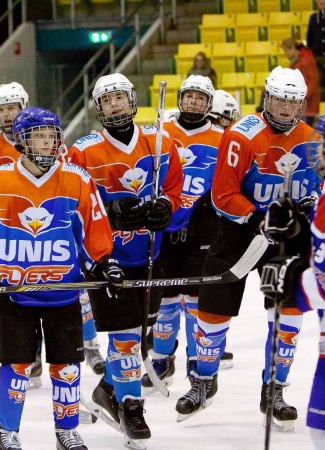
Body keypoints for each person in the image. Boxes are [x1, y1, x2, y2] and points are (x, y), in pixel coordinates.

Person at [0, 106, 123, 450]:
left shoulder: (77, 178)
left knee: (67, 366)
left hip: (65, 292)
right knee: (16, 365)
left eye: (51, 136)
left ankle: (66, 431)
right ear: (21, 140)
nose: (48, 143)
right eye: (39, 136)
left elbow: (94, 230)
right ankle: (7, 434)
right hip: (17, 294)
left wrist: (106, 262)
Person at [174, 66, 322, 432]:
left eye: (292, 103)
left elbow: (319, 190)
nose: (285, 110)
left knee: (288, 312)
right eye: (279, 101)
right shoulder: (241, 135)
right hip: (240, 229)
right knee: (213, 307)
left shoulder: (312, 138)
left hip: (287, 235)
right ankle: (203, 379)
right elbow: (223, 194)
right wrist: (258, 218)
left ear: (301, 104)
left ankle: (274, 388)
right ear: (266, 97)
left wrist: (304, 210)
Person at [67, 73, 183, 446]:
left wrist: (166, 208)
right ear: (97, 108)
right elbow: (73, 205)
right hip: (107, 259)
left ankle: (106, 390)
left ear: (132, 101)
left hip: (150, 254)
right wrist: (109, 212)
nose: (114, 105)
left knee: (139, 337)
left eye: (119, 97)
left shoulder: (161, 141)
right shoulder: (83, 151)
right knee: (127, 338)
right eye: (106, 100)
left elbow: (175, 190)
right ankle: (131, 406)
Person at [0, 82, 106, 383]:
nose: (7, 114)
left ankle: (88, 345)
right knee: (27, 297)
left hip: (54, 220)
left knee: (71, 292)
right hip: (17, 232)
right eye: (1, 109)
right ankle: (34, 353)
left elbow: (59, 177)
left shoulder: (42, 130)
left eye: (13, 107)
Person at [141, 75, 234, 395]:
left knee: (197, 298)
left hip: (202, 226)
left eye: (200, 97)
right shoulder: (159, 133)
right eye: (189, 96)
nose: (193, 101)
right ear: (180, 99)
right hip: (165, 226)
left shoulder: (222, 137)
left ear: (210, 104)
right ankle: (163, 357)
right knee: (166, 295)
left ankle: (197, 361)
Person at [260, 111, 325, 449]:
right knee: (321, 432)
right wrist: (295, 228)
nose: (322, 149)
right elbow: (322, 252)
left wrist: (293, 286)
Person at [281, 38, 320, 126]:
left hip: (308, 104)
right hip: (302, 104)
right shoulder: (296, 62)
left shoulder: (305, 60)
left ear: (292, 48)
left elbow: (313, 79)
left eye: (286, 51)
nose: (285, 54)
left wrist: (305, 96)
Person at [307, 0, 325, 101]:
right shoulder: (313, 18)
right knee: (320, 83)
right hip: (317, 56)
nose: (324, 6)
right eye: (321, 4)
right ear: (317, 3)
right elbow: (309, 36)